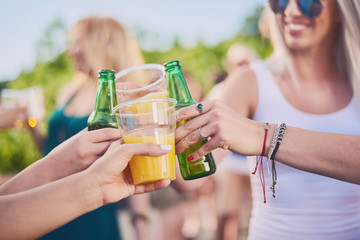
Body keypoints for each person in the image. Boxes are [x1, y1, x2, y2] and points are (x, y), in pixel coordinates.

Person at [175, 0, 360, 239]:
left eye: (309, 2)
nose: (291, 11)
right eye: (281, 1)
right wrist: (160, 130)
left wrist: (264, 137)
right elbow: (187, 179)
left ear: (340, 9)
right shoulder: (249, 82)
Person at [27, 16, 146, 240]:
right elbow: (53, 153)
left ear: (99, 45)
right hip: (44, 212)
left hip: (90, 217)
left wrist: (141, 227)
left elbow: (134, 159)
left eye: (77, 43)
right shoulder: (69, 93)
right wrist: (32, 126)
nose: (70, 51)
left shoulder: (120, 97)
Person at [0, 128, 171, 240]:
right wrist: (93, 188)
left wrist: (55, 166)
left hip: (83, 214)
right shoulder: (67, 93)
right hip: (56, 212)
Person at [206, 43, 258, 240]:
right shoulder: (221, 90)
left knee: (254, 214)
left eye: (245, 61)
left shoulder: (260, 87)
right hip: (229, 162)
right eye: (237, 63)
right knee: (227, 212)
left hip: (254, 163)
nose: (241, 66)